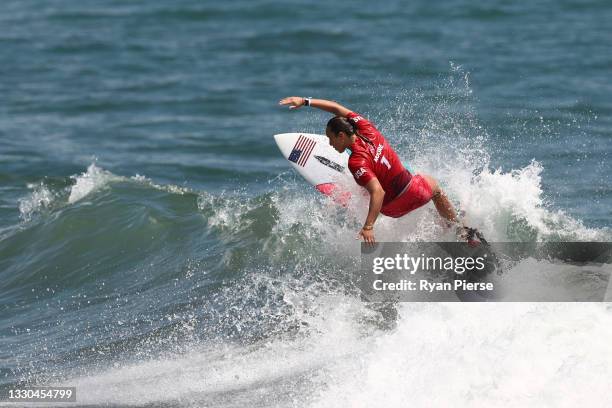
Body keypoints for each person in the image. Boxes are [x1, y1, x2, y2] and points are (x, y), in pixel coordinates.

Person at [279, 96, 483, 246]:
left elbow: (378, 192)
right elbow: (336, 108)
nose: (329, 144)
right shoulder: (367, 128)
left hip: (393, 206)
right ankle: (458, 230)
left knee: (369, 188)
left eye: (331, 138)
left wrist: (368, 226)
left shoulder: (357, 162)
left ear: (341, 136)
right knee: (434, 187)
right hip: (416, 191)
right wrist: (305, 101)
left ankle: (444, 229)